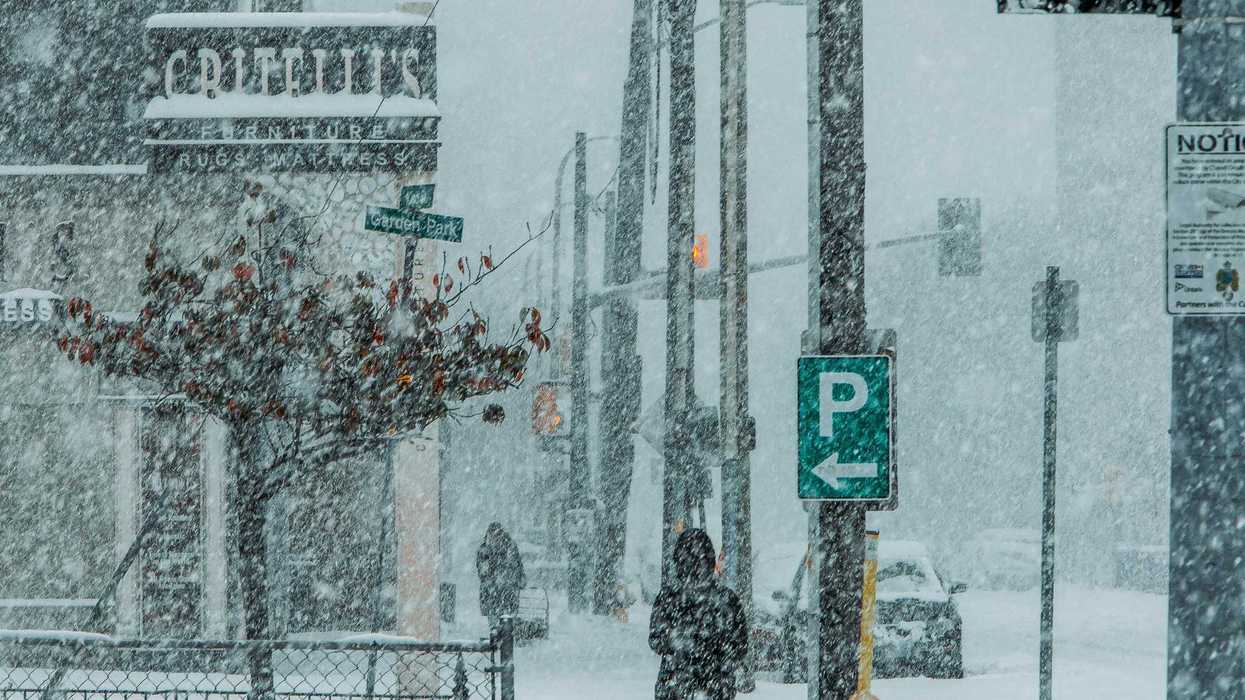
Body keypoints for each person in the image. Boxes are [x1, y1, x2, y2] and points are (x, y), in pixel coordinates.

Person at [648, 529, 748, 700]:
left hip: (676, 687)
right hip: (715, 688)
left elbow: (657, 641)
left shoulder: (669, 598)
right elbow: (740, 647)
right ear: (710, 561)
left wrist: (681, 640)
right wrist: (715, 647)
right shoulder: (726, 599)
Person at [476, 522, 526, 630]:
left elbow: (517, 564)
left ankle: (505, 637)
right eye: (493, 534)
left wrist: (519, 578)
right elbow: (483, 571)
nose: (495, 537)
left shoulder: (510, 547)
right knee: (494, 619)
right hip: (492, 591)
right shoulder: (485, 549)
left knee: (507, 618)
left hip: (508, 589)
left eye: (497, 534)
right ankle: (497, 637)